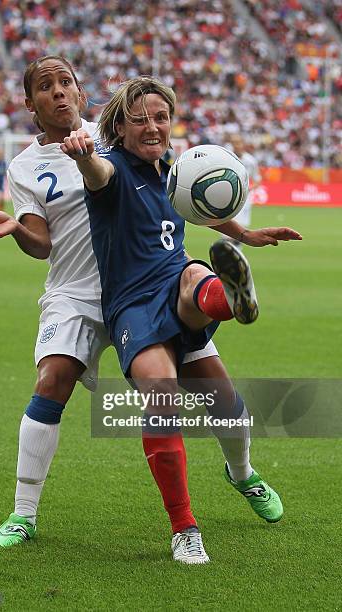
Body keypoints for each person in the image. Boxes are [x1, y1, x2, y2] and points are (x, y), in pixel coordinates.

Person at [0, 56, 225, 556]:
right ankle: (23, 514)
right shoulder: (23, 166)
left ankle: (244, 473)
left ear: (82, 94)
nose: (59, 92)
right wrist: (18, 228)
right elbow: (42, 244)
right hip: (77, 292)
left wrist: (238, 231)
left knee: (219, 393)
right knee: (53, 379)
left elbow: (172, 189)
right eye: (46, 86)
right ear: (30, 104)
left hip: (144, 284)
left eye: (67, 82)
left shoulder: (115, 134)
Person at [60, 76, 302, 564]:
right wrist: (83, 151)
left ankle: (242, 474)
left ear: (171, 123)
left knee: (227, 401)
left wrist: (246, 234)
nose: (152, 127)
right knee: (161, 394)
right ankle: (184, 528)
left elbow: (200, 208)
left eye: (160, 117)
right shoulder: (111, 170)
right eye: (139, 119)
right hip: (131, 303)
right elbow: (95, 171)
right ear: (120, 127)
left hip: (176, 281)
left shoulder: (174, 169)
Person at [227, 134, 262, 248]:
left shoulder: (250, 161)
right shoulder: (227, 158)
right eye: (234, 143)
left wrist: (249, 189)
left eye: (238, 142)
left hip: (245, 199)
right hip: (228, 197)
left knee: (242, 229)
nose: (237, 145)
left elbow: (257, 179)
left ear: (243, 144)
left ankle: (237, 254)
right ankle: (226, 253)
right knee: (228, 229)